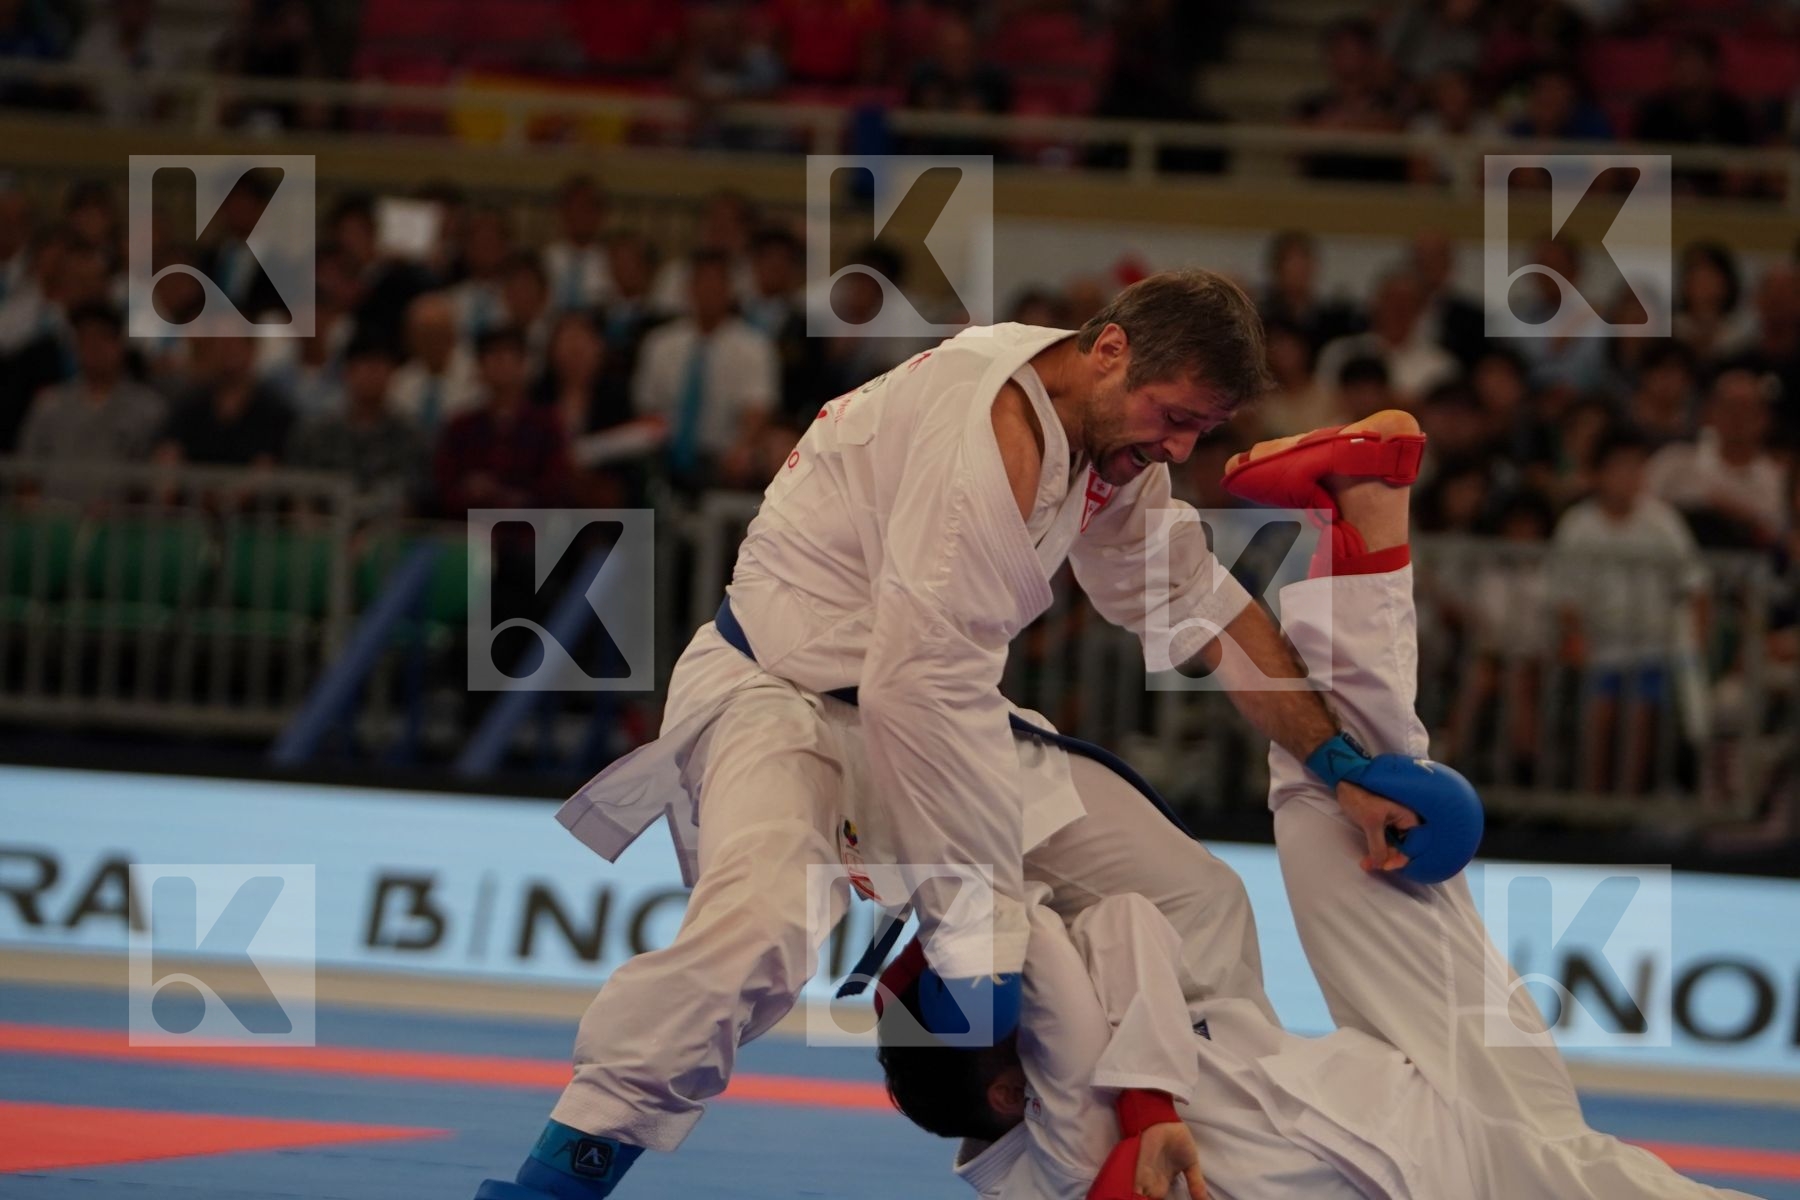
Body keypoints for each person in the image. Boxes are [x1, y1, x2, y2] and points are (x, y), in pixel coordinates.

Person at [476, 271, 1434, 1200]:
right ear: (1110, 350)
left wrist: (1334, 758)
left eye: (1200, 430)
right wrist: (974, 946)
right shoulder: (988, 438)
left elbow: (1200, 608)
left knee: (1197, 900)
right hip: (782, 700)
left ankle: (1214, 1163)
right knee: (758, 931)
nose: (1180, 450)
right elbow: (916, 699)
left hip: (936, 707)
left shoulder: (1106, 447)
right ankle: (560, 1181)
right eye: (1174, 417)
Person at [880, 413, 1758, 1200]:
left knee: (1351, 808)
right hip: (1431, 1159)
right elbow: (1059, 964)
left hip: (1387, 1099)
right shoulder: (1066, 1142)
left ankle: (1369, 514)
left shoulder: (1065, 1092)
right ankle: (1368, 512)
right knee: (1347, 816)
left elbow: (1121, 925)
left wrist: (1142, 1098)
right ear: (1006, 1085)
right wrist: (984, 921)